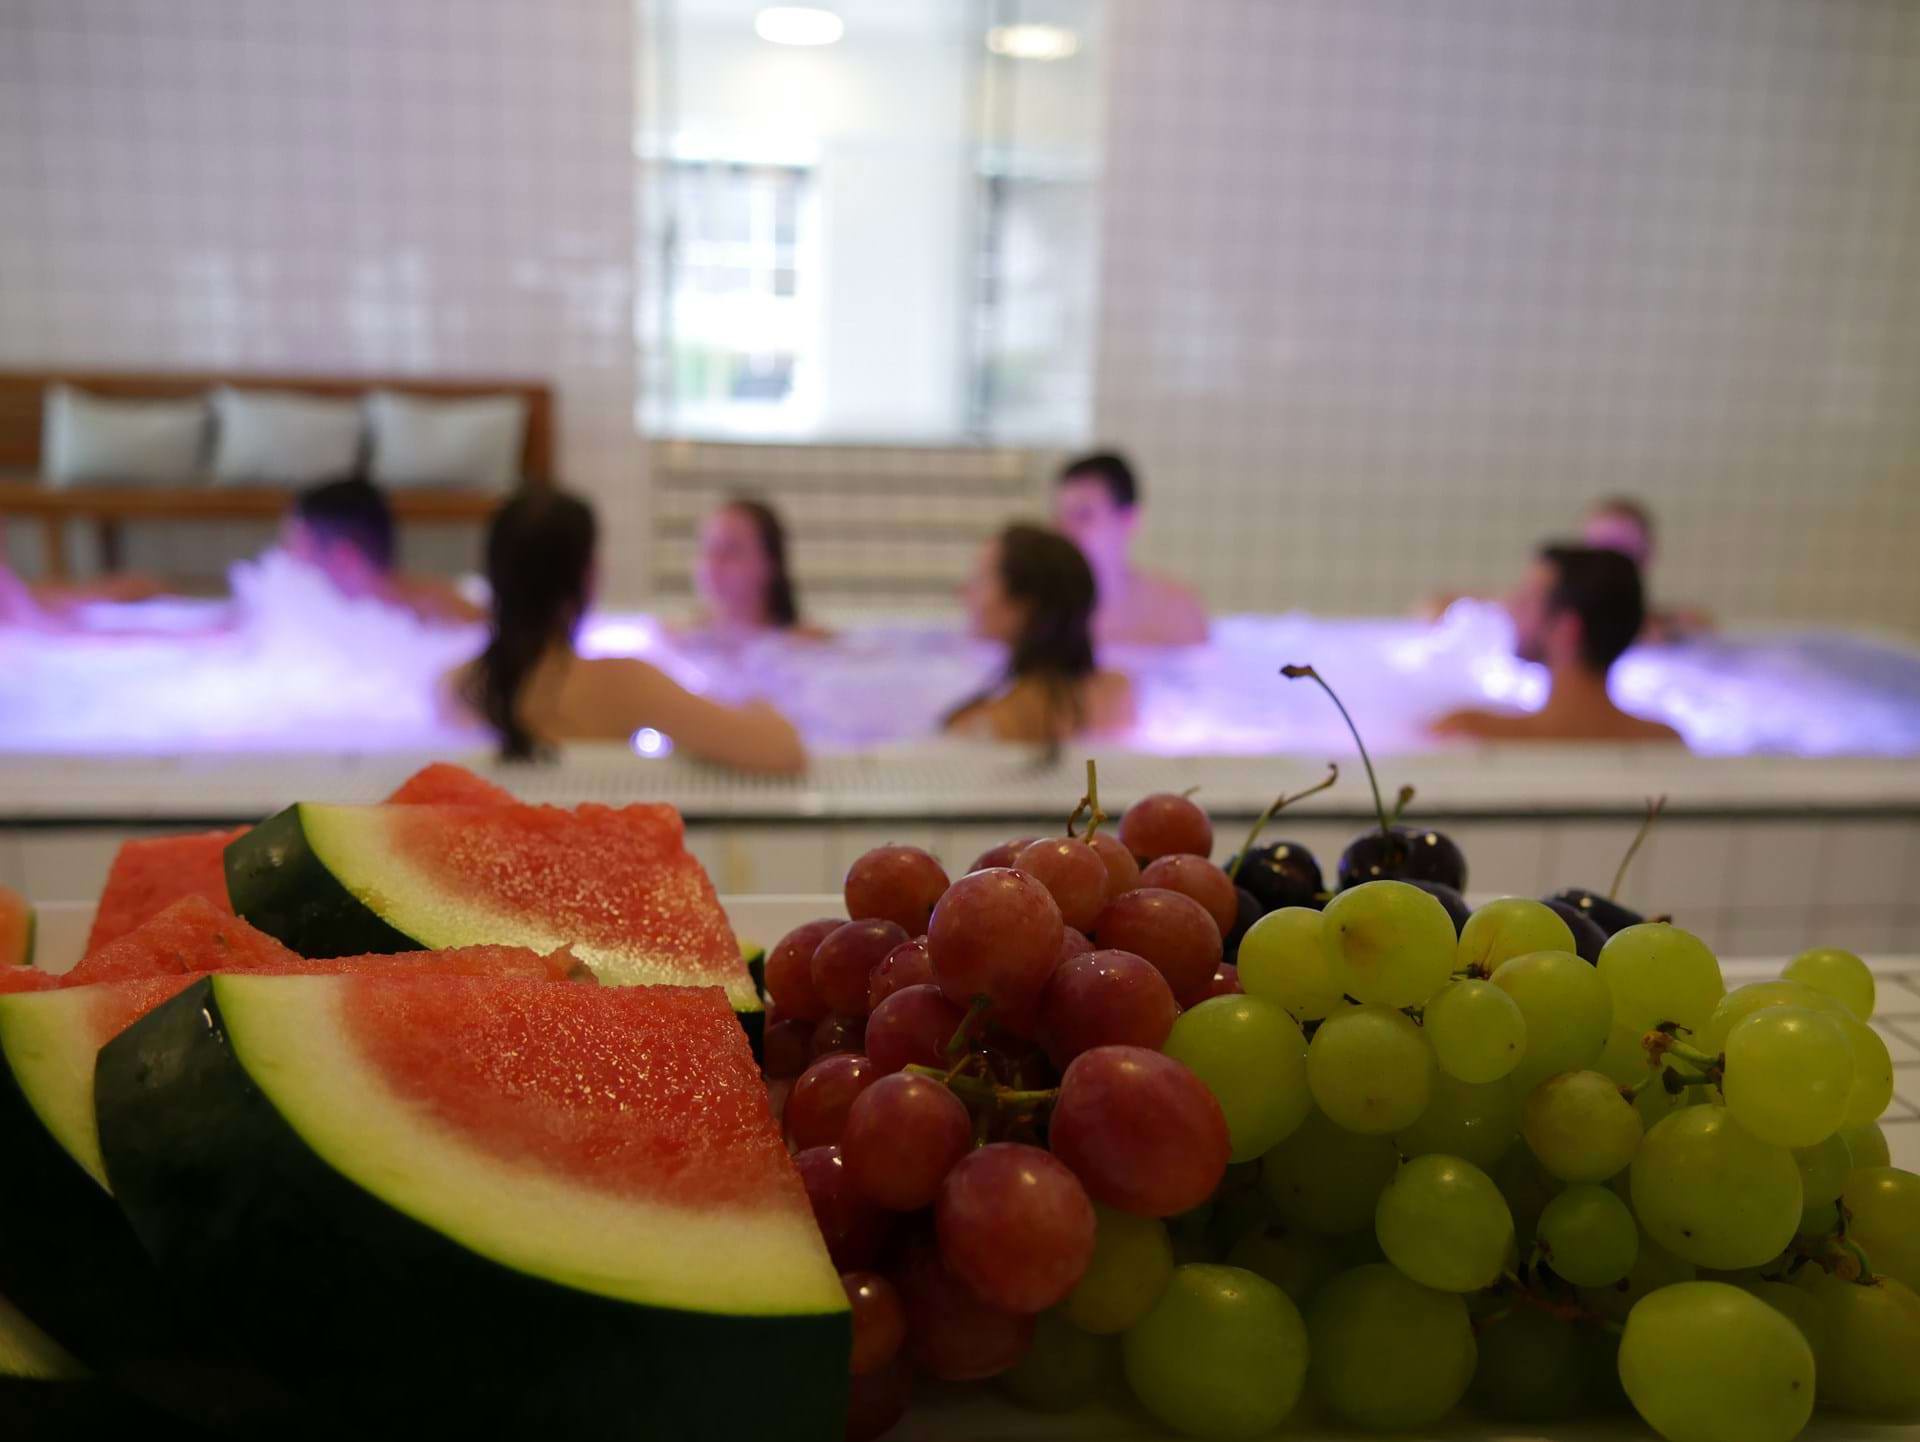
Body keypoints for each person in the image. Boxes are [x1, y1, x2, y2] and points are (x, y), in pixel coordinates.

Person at [449, 489, 806, 772]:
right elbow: (783, 751)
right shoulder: (621, 683)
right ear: (588, 576)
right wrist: (755, 701)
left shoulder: (455, 687)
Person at [1432, 544, 1683, 744]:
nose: (1511, 607)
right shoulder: (1664, 743)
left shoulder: (1470, 732)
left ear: (1567, 630)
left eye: (1528, 599)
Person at [945, 524, 1135, 744]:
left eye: (981, 578)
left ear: (1025, 604)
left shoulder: (1000, 720)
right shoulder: (1117, 693)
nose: (965, 591)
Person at [1052, 452, 1208, 647]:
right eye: (1060, 517)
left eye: (1083, 515)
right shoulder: (1041, 611)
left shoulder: (1176, 610)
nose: (1065, 530)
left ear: (1128, 520)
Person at [283, 477, 485, 625]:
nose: (287, 558)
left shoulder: (445, 616)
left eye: (297, 547)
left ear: (344, 556)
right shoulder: (308, 618)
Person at [683, 496, 828, 641]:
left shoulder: (809, 647)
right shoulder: (678, 647)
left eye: (732, 549)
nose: (714, 562)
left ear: (770, 563)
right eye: (709, 548)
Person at [1581, 495, 1712, 641]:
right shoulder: (1571, 630)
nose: (1612, 564)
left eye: (1623, 549)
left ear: (1648, 553)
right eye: (1602, 548)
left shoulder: (1684, 628)